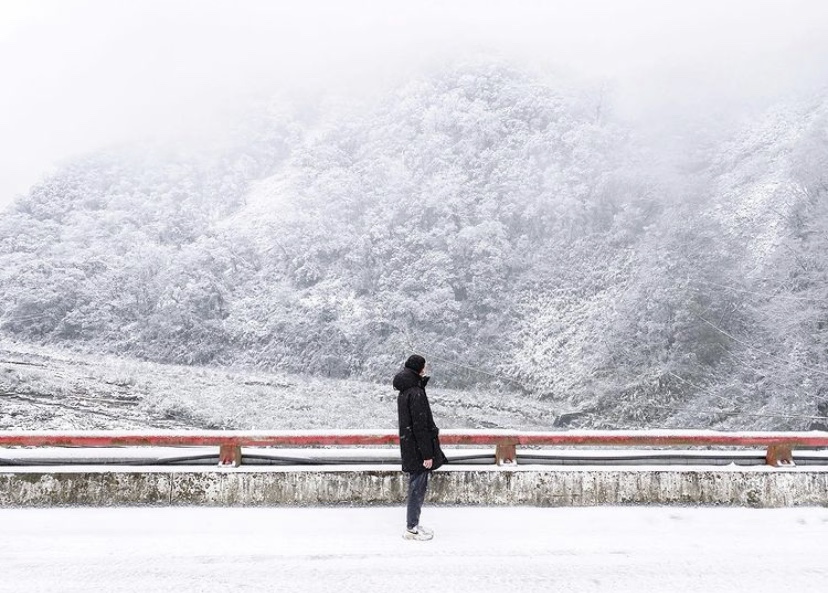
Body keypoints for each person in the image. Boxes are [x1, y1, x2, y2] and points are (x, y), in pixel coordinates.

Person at [394, 354, 447, 541]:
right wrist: (427, 454)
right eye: (424, 366)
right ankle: (411, 528)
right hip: (417, 449)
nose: (426, 369)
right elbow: (420, 426)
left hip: (409, 445)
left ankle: (413, 524)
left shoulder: (406, 390)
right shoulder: (415, 393)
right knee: (417, 488)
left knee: (416, 486)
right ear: (419, 369)